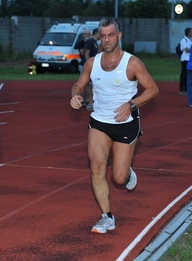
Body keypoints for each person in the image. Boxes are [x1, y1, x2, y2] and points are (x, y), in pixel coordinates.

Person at [70, 17, 159, 234]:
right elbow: (78, 85)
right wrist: (75, 95)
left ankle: (128, 172)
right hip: (99, 123)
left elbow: (152, 89)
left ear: (119, 36)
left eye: (111, 35)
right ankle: (107, 217)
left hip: (125, 125)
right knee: (97, 167)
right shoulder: (92, 63)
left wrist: (132, 105)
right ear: (99, 37)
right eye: (103, 35)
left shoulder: (133, 63)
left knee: (119, 178)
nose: (107, 39)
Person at [83, 28, 100, 111]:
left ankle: (88, 101)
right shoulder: (90, 41)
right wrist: (88, 65)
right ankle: (90, 103)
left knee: (90, 85)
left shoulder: (94, 42)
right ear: (97, 33)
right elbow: (87, 54)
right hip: (90, 66)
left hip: (93, 66)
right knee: (90, 85)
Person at [179, 27, 192, 96]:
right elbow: (186, 50)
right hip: (185, 59)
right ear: (188, 33)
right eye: (191, 32)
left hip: (189, 59)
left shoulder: (190, 41)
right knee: (184, 75)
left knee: (188, 75)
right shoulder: (184, 40)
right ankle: (182, 89)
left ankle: (186, 89)